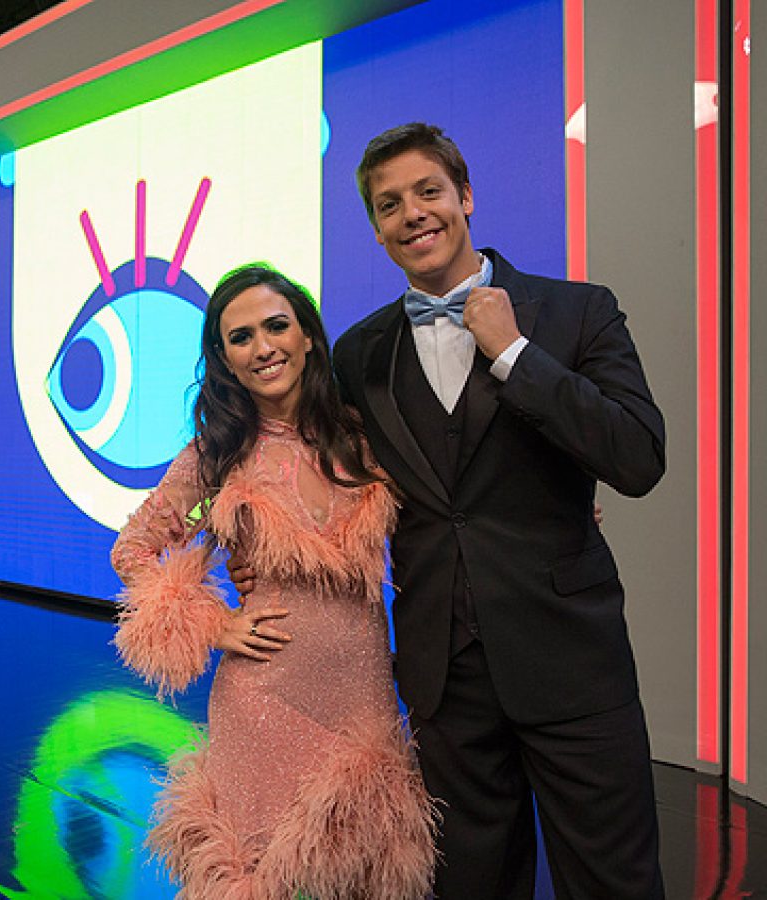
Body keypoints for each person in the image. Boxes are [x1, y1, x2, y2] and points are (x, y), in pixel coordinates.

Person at [236, 122, 664, 898]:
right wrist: (251, 541)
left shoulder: (576, 312)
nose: (412, 214)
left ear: (465, 197)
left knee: (614, 884)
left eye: (428, 191)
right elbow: (315, 463)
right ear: (376, 230)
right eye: (389, 204)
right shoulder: (359, 353)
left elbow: (637, 455)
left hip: (571, 663)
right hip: (444, 678)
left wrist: (514, 355)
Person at [111, 265, 437, 899]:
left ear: (307, 336)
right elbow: (132, 551)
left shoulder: (362, 437)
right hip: (263, 703)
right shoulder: (216, 456)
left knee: (364, 874)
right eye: (241, 338)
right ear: (225, 361)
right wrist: (216, 624)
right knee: (256, 878)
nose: (263, 348)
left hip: (362, 704)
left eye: (276, 326)